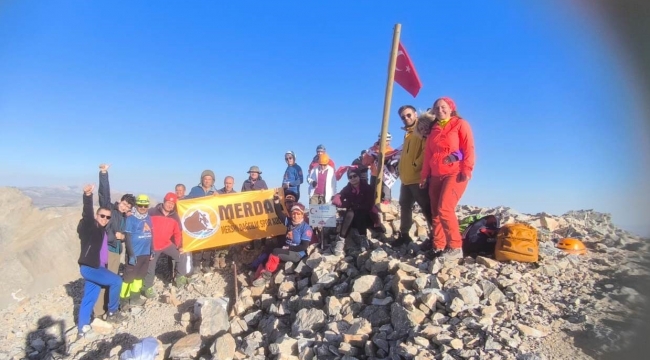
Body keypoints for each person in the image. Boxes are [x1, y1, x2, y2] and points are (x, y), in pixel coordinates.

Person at [420, 97, 475, 260]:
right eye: (436, 108)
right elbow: (428, 155)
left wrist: (467, 168)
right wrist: (424, 175)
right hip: (436, 175)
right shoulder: (434, 129)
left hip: (455, 173)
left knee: (445, 208)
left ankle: (455, 247)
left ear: (451, 108)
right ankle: (438, 246)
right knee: (435, 212)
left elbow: (468, 148)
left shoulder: (460, 124)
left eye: (443, 107)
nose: (439, 110)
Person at [76, 184, 126, 339]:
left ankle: (82, 328)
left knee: (89, 298)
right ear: (97, 216)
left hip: (95, 268)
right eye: (102, 216)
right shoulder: (90, 227)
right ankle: (112, 312)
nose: (105, 219)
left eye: (108, 217)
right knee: (117, 280)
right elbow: (87, 214)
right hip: (91, 267)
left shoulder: (103, 231)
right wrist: (88, 196)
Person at [95, 164, 135, 319]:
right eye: (124, 204)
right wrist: (104, 173)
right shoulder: (110, 210)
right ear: (120, 201)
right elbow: (104, 194)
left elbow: (123, 234)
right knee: (107, 281)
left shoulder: (124, 217)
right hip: (108, 250)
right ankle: (100, 312)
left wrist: (123, 237)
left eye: (128, 207)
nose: (124, 207)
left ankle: (104, 309)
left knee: (110, 280)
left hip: (116, 252)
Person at [393, 105, 433, 249]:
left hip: (417, 177)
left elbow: (426, 149)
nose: (406, 118)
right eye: (403, 117)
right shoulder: (408, 133)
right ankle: (404, 235)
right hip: (406, 179)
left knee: (426, 207)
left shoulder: (421, 129)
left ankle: (435, 237)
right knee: (404, 206)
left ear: (415, 114)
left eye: (408, 115)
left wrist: (416, 165)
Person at [251, 202, 313, 287]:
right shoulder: (290, 222)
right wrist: (276, 202)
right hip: (287, 249)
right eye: (293, 213)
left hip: (297, 254)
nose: (295, 215)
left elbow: (304, 246)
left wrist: (289, 248)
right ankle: (256, 274)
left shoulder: (306, 228)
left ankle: (266, 277)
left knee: (276, 251)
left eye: (298, 213)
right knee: (268, 251)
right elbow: (279, 214)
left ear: (302, 214)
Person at [146, 192, 189, 295]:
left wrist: (179, 246)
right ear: (164, 201)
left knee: (182, 256)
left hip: (166, 244)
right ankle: (147, 288)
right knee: (150, 267)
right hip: (153, 245)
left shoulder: (175, 216)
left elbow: (177, 233)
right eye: (168, 202)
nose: (170, 205)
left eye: (172, 204)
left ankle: (179, 279)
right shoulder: (152, 212)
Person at [331, 168, 375, 255]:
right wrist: (344, 204)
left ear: (359, 176)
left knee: (358, 212)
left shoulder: (367, 188)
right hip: (352, 219)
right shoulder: (347, 188)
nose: (353, 178)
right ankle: (341, 241)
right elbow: (337, 198)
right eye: (350, 177)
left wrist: (353, 205)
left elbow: (369, 205)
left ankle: (363, 239)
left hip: (366, 217)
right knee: (350, 213)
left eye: (355, 176)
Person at [120, 195, 154, 305]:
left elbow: (151, 234)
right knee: (128, 278)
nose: (143, 207)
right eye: (140, 205)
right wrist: (131, 254)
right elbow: (128, 238)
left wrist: (152, 250)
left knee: (139, 277)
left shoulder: (148, 218)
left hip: (145, 253)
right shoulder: (131, 219)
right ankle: (123, 300)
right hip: (135, 253)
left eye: (145, 205)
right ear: (136, 205)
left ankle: (135, 297)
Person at [185, 170, 218, 272]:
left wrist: (219, 198)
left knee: (209, 243)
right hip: (197, 221)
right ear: (202, 180)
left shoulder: (216, 192)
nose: (207, 181)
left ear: (213, 181)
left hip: (210, 221)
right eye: (205, 179)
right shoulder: (195, 190)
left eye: (209, 179)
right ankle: (196, 265)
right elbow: (187, 201)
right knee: (197, 241)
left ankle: (206, 265)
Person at [242, 166, 269, 251]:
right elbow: (241, 195)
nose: (253, 173)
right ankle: (251, 244)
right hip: (249, 209)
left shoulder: (262, 182)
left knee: (262, 224)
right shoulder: (245, 183)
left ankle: (263, 243)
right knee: (250, 226)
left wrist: (263, 192)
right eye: (251, 172)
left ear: (258, 174)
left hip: (260, 208)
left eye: (255, 172)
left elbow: (268, 194)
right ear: (249, 173)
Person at [215, 176, 236, 267]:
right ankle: (216, 258)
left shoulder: (236, 195)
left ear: (233, 184)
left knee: (226, 240)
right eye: (226, 183)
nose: (228, 185)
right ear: (224, 183)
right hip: (218, 220)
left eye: (230, 183)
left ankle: (223, 257)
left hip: (228, 221)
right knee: (217, 240)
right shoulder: (218, 193)